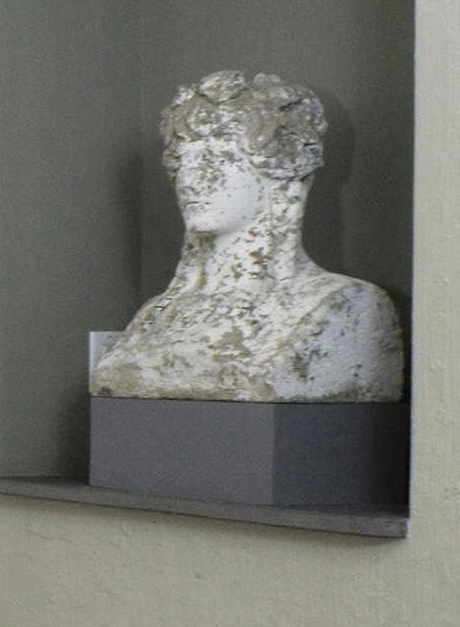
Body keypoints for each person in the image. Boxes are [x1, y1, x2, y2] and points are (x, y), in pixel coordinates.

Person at [91, 70, 401, 403]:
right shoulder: (155, 316)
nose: (192, 180)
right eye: (185, 161)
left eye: (219, 159)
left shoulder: (342, 305)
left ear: (277, 174)